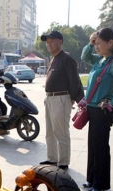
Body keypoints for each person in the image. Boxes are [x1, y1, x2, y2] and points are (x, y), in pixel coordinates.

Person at [80, 28, 113, 191]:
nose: (96, 47)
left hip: (103, 111)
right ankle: (92, 179)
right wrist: (90, 42)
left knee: (101, 147)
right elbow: (84, 57)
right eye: (95, 44)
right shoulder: (100, 60)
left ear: (110, 42)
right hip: (93, 110)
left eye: (99, 44)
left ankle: (100, 183)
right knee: (93, 146)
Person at [40, 30, 84, 171]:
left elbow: (75, 81)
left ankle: (63, 162)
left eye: (51, 41)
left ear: (60, 41)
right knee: (50, 132)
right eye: (47, 42)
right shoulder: (53, 59)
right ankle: (52, 158)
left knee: (61, 132)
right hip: (50, 98)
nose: (49, 44)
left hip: (61, 98)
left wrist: (74, 99)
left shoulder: (66, 59)